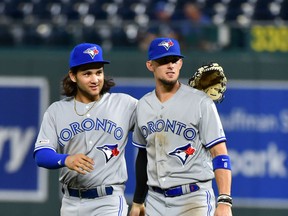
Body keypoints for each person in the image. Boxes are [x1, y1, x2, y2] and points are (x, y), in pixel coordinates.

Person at [129, 37, 232, 216]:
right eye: (163, 61)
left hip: (193, 199)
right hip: (155, 200)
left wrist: (224, 200)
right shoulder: (143, 105)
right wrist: (138, 201)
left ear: (181, 63)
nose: (170, 65)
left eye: (174, 60)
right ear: (150, 65)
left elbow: (219, 152)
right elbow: (143, 156)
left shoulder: (201, 102)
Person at [33, 43, 137, 216]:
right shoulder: (57, 110)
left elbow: (157, 121)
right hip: (71, 202)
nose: (95, 79)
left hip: (108, 201)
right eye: (87, 74)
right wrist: (66, 159)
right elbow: (41, 154)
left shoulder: (124, 104)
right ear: (73, 76)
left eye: (99, 72)